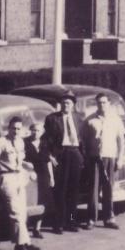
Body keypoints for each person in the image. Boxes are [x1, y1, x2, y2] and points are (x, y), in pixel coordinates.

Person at [0, 117, 40, 250]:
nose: (16, 131)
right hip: (6, 177)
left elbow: (19, 161)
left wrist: (26, 165)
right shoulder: (1, 142)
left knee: (22, 212)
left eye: (18, 128)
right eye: (13, 128)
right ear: (9, 128)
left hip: (19, 176)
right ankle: (23, 244)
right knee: (15, 212)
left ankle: (23, 243)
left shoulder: (20, 142)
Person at [83, 93, 125, 230]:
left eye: (104, 102)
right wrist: (86, 156)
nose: (102, 105)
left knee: (109, 189)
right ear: (96, 104)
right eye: (99, 103)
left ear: (109, 104)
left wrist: (120, 158)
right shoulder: (89, 120)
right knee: (93, 189)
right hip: (95, 158)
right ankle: (91, 219)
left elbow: (121, 141)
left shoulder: (116, 119)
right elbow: (83, 140)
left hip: (110, 157)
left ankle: (109, 218)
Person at [43, 90, 84, 233]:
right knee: (60, 190)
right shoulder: (52, 119)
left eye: (68, 103)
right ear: (60, 104)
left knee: (74, 191)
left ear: (73, 105)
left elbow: (82, 138)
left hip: (75, 153)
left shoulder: (79, 118)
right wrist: (50, 155)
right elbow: (46, 139)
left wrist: (81, 157)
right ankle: (59, 223)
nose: (66, 105)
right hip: (60, 154)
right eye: (63, 102)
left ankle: (71, 221)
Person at [24, 119, 54, 239]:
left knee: (42, 202)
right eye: (33, 130)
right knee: (29, 201)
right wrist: (26, 165)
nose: (35, 133)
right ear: (30, 131)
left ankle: (37, 228)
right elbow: (20, 159)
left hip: (43, 175)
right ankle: (25, 227)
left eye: (38, 131)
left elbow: (48, 162)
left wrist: (51, 177)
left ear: (42, 132)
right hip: (29, 175)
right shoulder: (24, 143)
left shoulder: (44, 143)